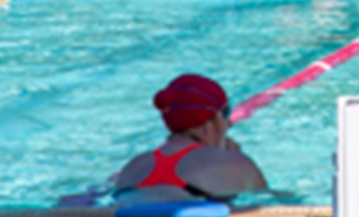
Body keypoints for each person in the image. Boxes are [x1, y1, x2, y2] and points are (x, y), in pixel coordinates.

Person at [114, 74, 267, 204]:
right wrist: (235, 161)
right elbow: (276, 211)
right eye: (226, 113)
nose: (229, 123)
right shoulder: (235, 164)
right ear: (210, 119)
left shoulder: (131, 169)